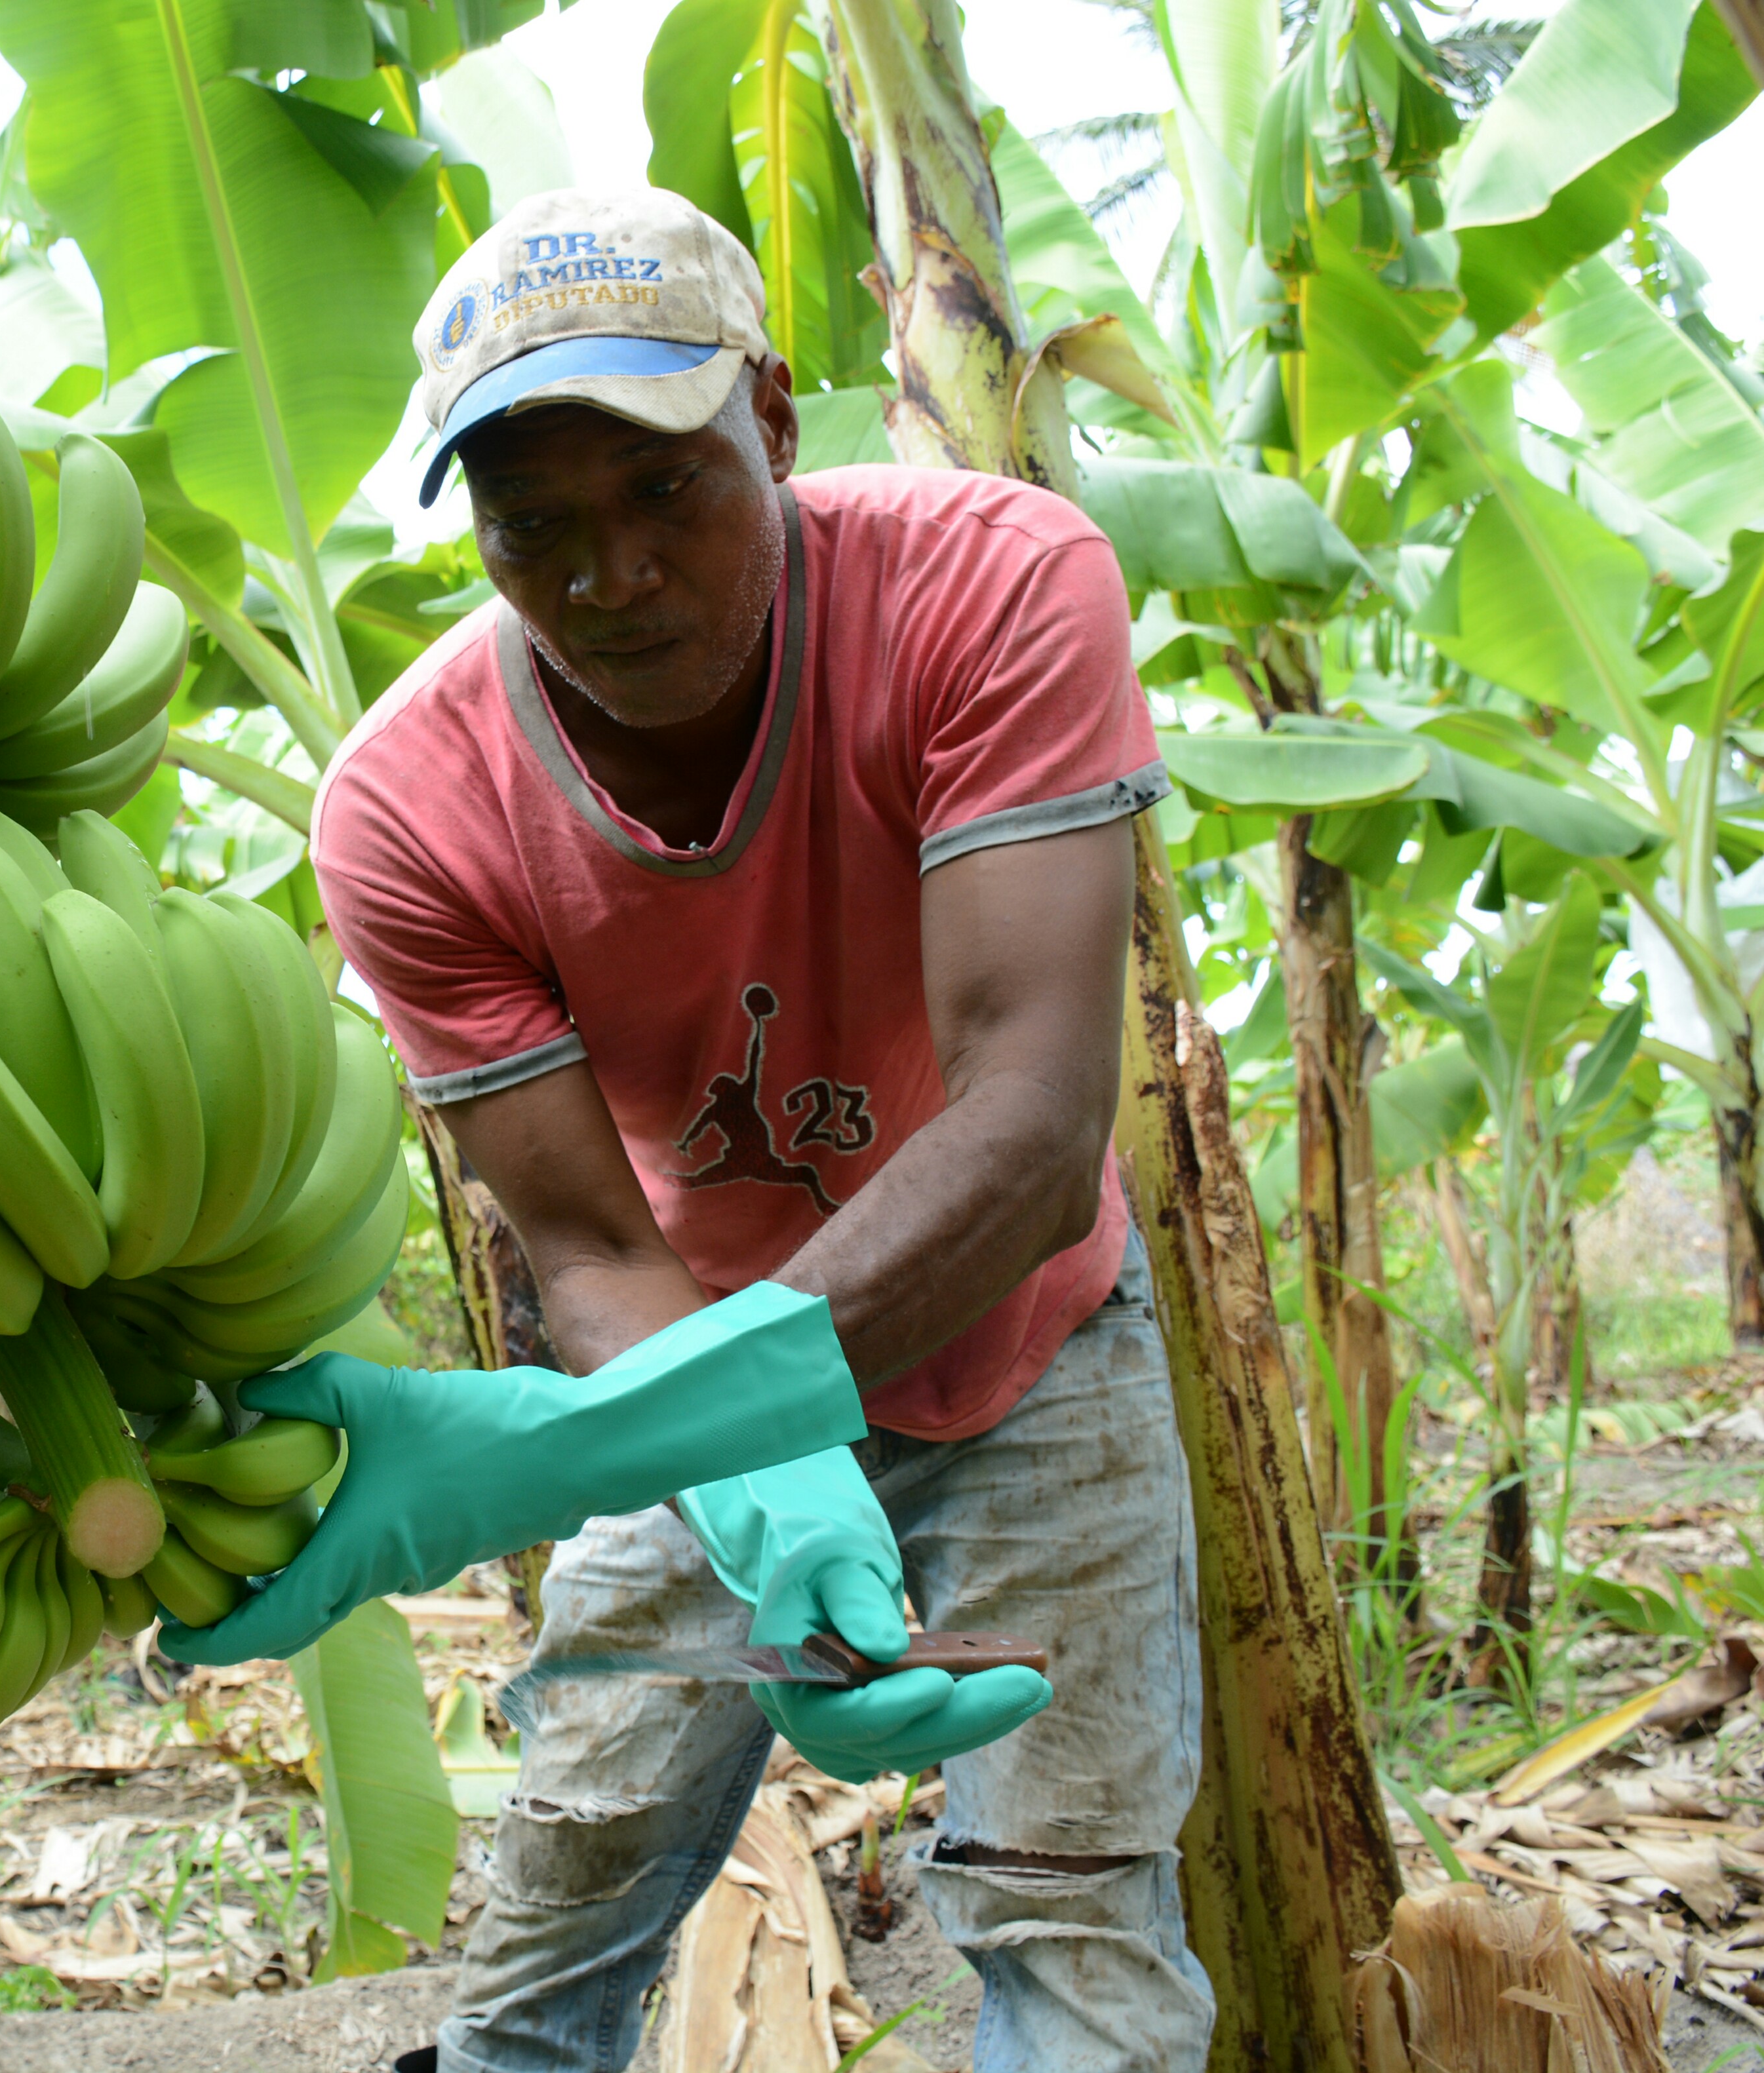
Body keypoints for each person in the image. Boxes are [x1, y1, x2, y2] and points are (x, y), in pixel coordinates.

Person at [157, 188, 1213, 2073]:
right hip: (683, 1344)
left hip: (1030, 1344)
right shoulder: (410, 810)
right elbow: (588, 1245)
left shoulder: (988, 588)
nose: (610, 574)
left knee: (1081, 1931)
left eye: (665, 487)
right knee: (559, 1905)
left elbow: (1036, 1125)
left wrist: (608, 1445)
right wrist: (744, 1463)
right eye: (533, 523)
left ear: (775, 424)